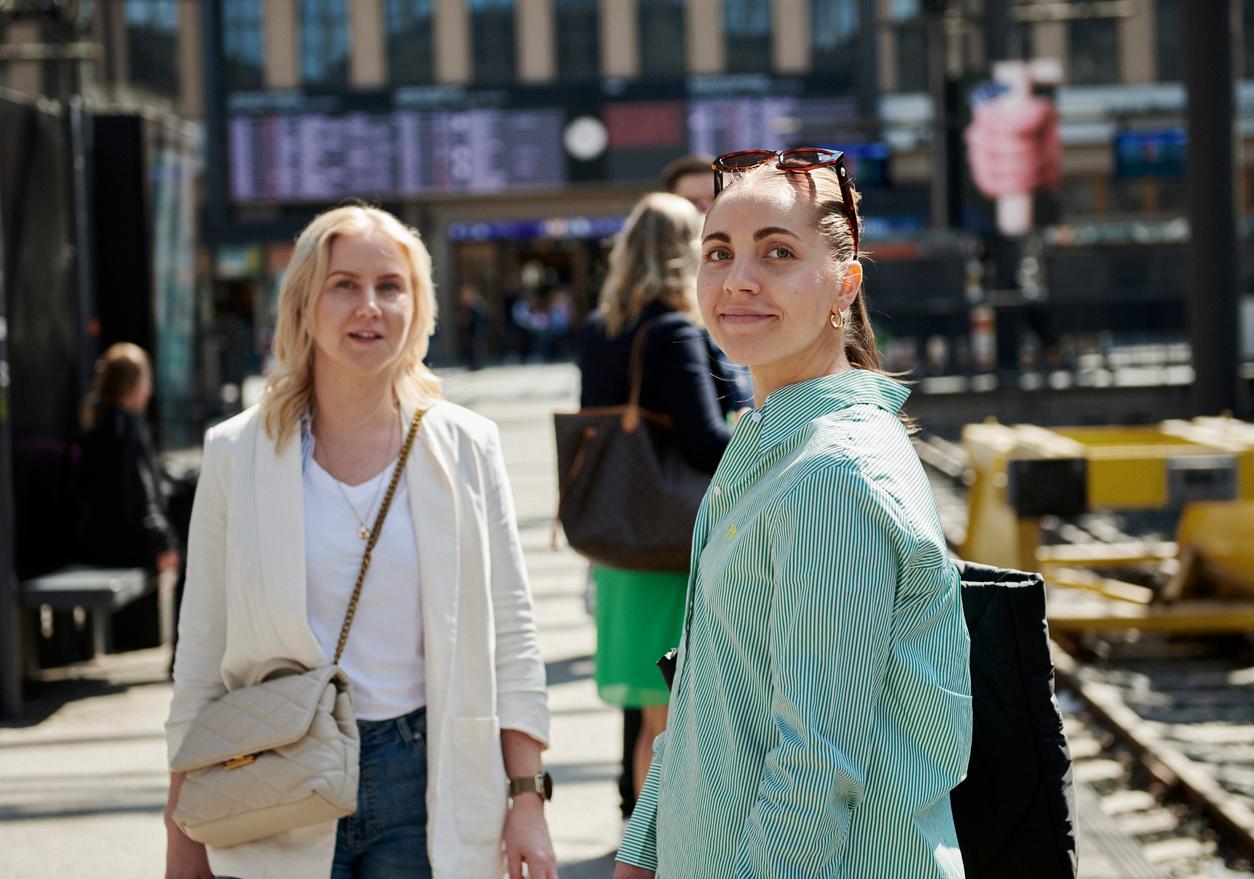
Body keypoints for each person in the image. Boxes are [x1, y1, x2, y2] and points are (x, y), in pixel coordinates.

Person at [164, 205, 556, 879]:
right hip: (275, 775)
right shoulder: (238, 453)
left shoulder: (465, 446)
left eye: (389, 285)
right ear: (306, 303)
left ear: (418, 304)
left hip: (427, 776)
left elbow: (512, 638)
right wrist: (182, 837)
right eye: (344, 284)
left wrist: (527, 798)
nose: (368, 306)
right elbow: (201, 652)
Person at [615, 150, 973, 878]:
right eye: (719, 252)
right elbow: (705, 696)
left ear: (845, 284)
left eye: (777, 251)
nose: (739, 278)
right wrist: (642, 850)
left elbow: (815, 769)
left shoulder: (831, 478)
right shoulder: (771, 448)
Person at [577, 192, 743, 819]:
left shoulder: (602, 330)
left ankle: (647, 842)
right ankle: (667, 850)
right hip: (674, 544)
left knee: (652, 712)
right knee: (672, 718)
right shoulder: (674, 331)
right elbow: (705, 440)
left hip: (622, 541)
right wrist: (776, 436)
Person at [76, 342, 180, 576]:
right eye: (146, 381)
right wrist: (164, 543)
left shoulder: (97, 420)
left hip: (96, 545)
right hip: (130, 549)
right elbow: (141, 493)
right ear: (130, 385)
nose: (150, 390)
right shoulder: (129, 427)